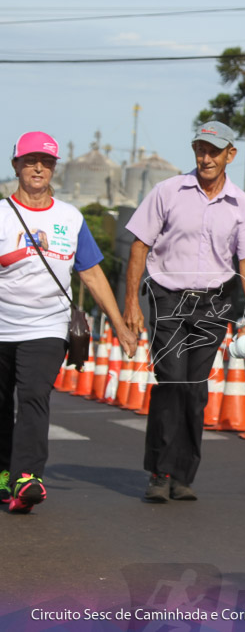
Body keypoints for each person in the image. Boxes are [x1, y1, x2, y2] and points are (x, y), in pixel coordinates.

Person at [124, 121, 245, 503]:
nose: (206, 157)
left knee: (194, 388)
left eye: (214, 151)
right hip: (167, 297)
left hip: (214, 303)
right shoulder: (167, 191)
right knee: (171, 380)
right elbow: (139, 246)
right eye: (200, 149)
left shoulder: (241, 204)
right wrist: (131, 307)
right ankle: (159, 472)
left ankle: (182, 475)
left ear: (229, 155)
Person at [0, 131, 137, 514]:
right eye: (30, 161)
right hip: (1, 325)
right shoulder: (1, 215)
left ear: (55, 168)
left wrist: (120, 325)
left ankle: (27, 476)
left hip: (47, 326)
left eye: (45, 162)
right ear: (16, 166)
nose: (38, 168)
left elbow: (92, 275)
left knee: (32, 396)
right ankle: (3, 471)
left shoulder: (70, 218)